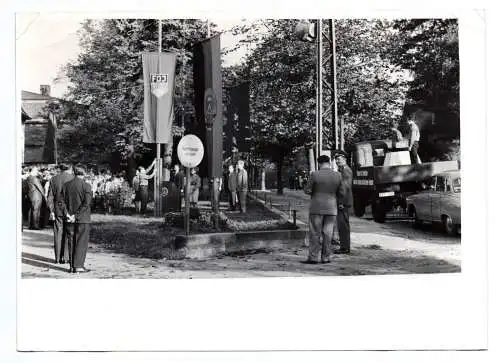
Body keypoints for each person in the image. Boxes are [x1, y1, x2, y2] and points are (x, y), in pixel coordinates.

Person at [303, 155, 345, 264]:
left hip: (316, 207)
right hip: (331, 208)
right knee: (328, 233)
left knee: (315, 233)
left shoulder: (315, 175)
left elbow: (307, 190)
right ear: (329, 163)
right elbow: (342, 193)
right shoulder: (338, 175)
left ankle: (313, 257)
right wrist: (339, 202)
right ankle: (326, 258)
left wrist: (314, 192)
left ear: (319, 163)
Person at [61, 164, 92, 273]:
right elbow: (86, 204)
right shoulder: (86, 186)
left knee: (71, 241)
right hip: (82, 218)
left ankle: (72, 266)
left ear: (74, 172)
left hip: (69, 217)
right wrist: (76, 215)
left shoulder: (66, 185)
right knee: (81, 241)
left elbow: (62, 202)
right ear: (84, 173)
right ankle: (78, 265)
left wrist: (68, 214)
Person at [46, 163, 74, 264]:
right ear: (69, 168)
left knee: (58, 232)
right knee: (69, 232)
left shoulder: (54, 179)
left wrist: (51, 210)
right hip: (70, 209)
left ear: (60, 168)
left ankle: (57, 258)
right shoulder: (73, 178)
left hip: (57, 208)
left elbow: (50, 197)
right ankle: (66, 257)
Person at [333, 150, 353, 254]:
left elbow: (345, 188)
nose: (337, 161)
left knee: (343, 225)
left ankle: (345, 248)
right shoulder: (342, 170)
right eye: (336, 159)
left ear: (344, 159)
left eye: (339, 159)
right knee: (341, 225)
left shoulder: (346, 170)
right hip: (343, 201)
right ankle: (344, 246)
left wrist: (340, 202)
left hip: (344, 202)